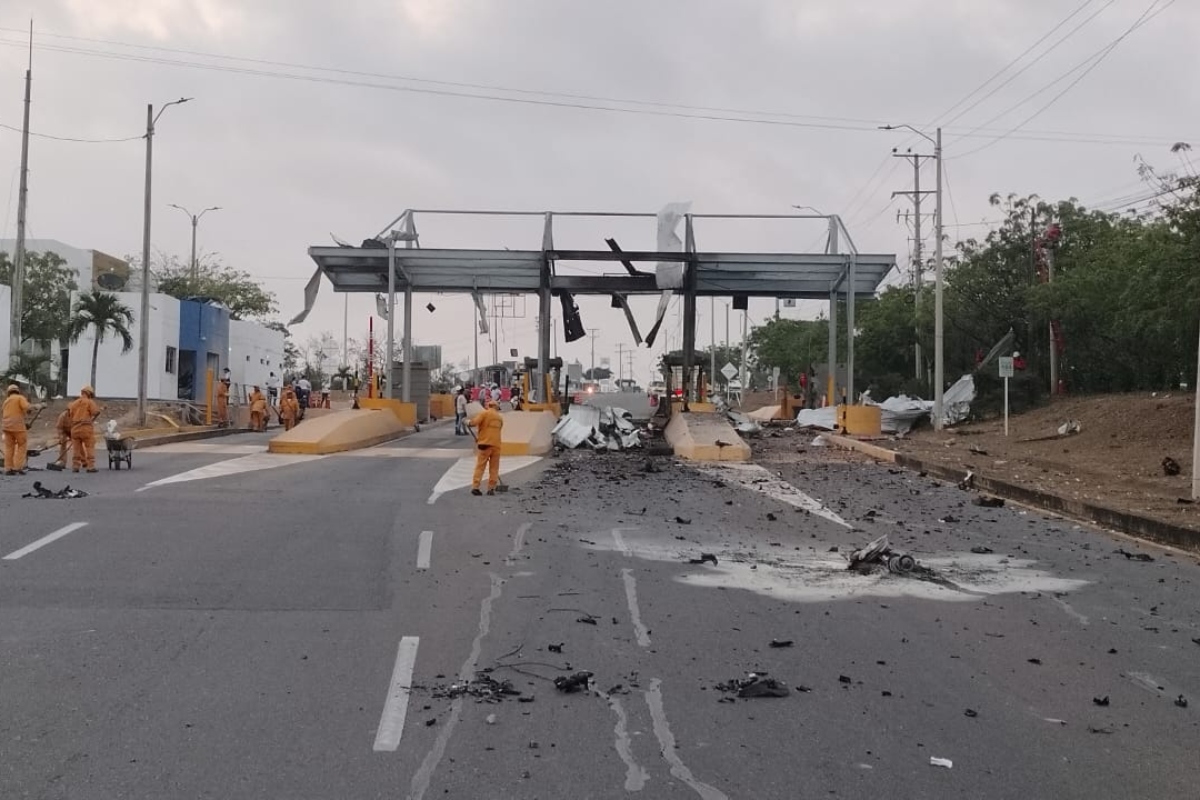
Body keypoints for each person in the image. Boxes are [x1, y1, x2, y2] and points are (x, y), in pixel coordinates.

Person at [3, 384, 41, 475]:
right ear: (17, 391)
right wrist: (38, 406)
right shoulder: (19, 398)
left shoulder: (6, 401)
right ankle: (18, 467)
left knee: (9, 448)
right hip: (18, 427)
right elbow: (27, 407)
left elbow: (11, 413)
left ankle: (8, 468)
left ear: (9, 392)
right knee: (22, 446)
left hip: (6, 427)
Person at [469, 399, 504, 496]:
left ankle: (476, 487)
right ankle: (491, 489)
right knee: (494, 468)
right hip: (496, 446)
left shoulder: (484, 413)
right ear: (496, 407)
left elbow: (474, 423)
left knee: (480, 467)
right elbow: (496, 431)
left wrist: (468, 422)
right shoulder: (500, 418)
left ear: (489, 406)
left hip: (485, 445)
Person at [68, 385, 101, 473]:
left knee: (76, 449)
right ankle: (90, 466)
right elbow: (95, 412)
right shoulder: (90, 402)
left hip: (74, 428)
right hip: (86, 428)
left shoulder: (74, 403)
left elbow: (70, 415)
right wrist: (98, 412)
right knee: (89, 447)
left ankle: (75, 466)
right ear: (89, 394)